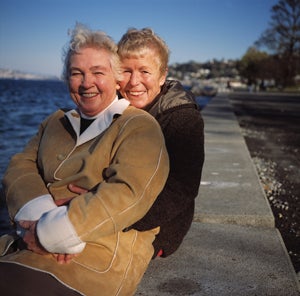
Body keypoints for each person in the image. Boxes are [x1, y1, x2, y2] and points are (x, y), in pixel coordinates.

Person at [0, 23, 169, 296]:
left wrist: (54, 233)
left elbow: (129, 192)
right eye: (76, 73)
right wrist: (39, 216)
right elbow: (20, 166)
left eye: (97, 72)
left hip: (96, 256)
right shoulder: (55, 121)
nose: (86, 82)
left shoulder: (139, 127)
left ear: (116, 78)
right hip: (26, 242)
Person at [117, 28, 204, 257]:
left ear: (162, 76)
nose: (134, 81)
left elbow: (181, 188)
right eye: (126, 71)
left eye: (144, 71)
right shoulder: (111, 110)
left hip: (160, 224)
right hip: (112, 208)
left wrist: (114, 218)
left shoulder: (182, 118)